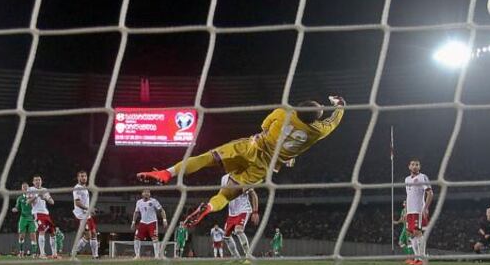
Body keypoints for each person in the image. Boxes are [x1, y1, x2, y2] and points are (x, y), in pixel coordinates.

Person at [137, 96, 346, 228]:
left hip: (250, 147)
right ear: (315, 120)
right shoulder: (317, 132)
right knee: (225, 196)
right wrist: (340, 106)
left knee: (205, 159)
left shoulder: (284, 112)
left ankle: (167, 173)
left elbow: (264, 125)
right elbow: (333, 121)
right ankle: (208, 208)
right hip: (263, 167)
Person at [403, 159, 433, 265]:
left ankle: (422, 258)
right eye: (412, 164)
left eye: (417, 164)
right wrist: (406, 211)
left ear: (419, 167)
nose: (415, 166)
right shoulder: (406, 179)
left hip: (418, 210)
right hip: (410, 211)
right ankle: (416, 258)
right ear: (409, 167)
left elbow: (430, 193)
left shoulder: (422, 177)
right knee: (410, 234)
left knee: (418, 232)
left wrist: (425, 208)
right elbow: (408, 196)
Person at [221, 174, 259, 258]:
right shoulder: (224, 178)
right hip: (232, 212)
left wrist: (255, 212)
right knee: (226, 236)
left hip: (243, 209)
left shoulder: (244, 177)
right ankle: (236, 257)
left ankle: (248, 255)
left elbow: (253, 195)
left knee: (238, 230)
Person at [28, 175, 58, 259]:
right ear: (33, 182)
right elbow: (28, 201)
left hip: (46, 214)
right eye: (36, 180)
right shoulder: (31, 189)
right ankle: (42, 254)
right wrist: (37, 195)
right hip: (37, 213)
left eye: (39, 180)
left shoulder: (45, 190)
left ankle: (54, 254)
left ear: (41, 181)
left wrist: (47, 198)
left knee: (53, 232)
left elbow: (52, 202)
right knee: (42, 231)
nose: (38, 181)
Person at [131, 189, 167, 258]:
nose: (147, 193)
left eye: (148, 192)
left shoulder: (154, 201)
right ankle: (137, 255)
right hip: (143, 222)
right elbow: (136, 213)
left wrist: (164, 220)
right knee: (136, 238)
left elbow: (162, 210)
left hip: (152, 222)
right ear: (142, 194)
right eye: (145, 192)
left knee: (155, 238)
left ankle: (157, 256)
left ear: (150, 194)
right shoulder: (139, 202)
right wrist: (133, 222)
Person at [71, 170, 99, 259]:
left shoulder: (84, 188)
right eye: (81, 176)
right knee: (87, 236)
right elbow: (77, 203)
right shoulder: (77, 188)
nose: (84, 178)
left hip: (87, 215)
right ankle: (74, 252)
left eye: (85, 176)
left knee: (94, 233)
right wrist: (89, 209)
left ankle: (95, 256)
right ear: (78, 178)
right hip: (81, 216)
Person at [11, 182, 36, 257]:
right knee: (21, 236)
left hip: (31, 218)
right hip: (23, 218)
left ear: (29, 188)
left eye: (26, 187)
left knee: (33, 236)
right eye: (23, 187)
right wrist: (15, 209)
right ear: (21, 189)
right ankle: (21, 251)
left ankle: (34, 253)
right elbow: (17, 207)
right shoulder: (20, 198)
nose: (25, 188)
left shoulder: (33, 197)